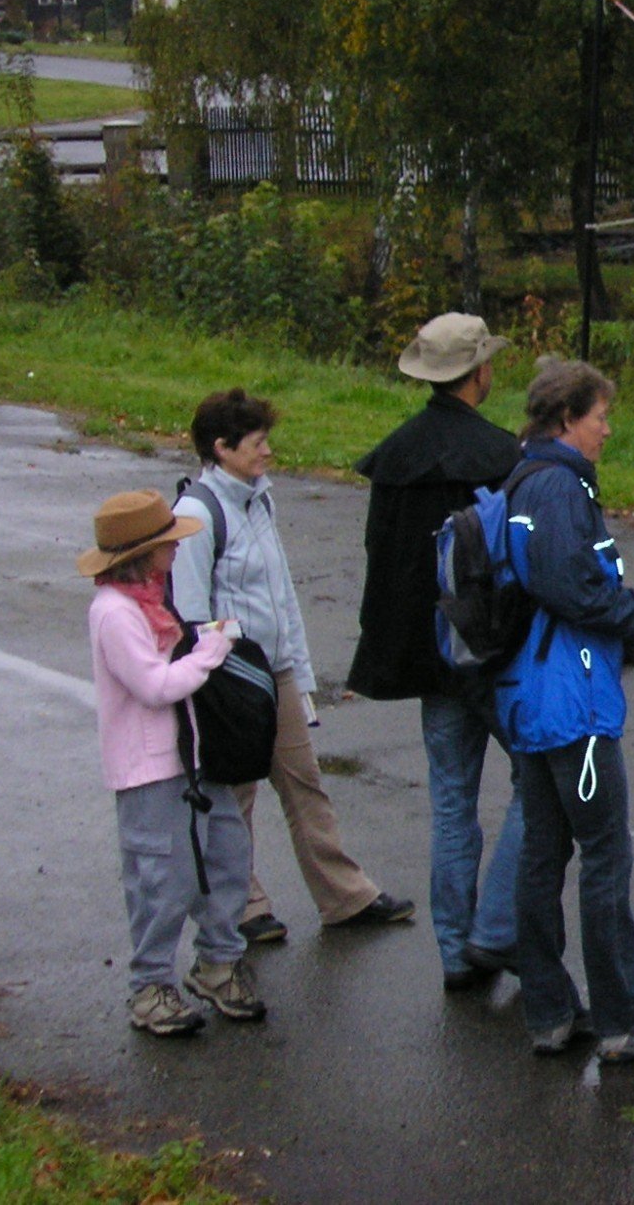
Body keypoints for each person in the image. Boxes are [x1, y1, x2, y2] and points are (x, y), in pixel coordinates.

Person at [496, 358, 634, 1063]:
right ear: (565, 421)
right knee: (606, 855)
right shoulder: (557, 487)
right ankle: (624, 1018)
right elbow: (571, 588)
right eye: (599, 418)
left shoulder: (525, 477)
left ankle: (551, 1012)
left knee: (544, 854)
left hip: (533, 696)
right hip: (572, 702)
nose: (607, 430)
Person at [172, 389, 415, 940]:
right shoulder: (197, 513)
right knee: (233, 797)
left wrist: (299, 680)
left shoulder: (260, 499)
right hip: (229, 679)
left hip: (273, 674)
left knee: (304, 784)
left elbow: (281, 598)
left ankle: (345, 898)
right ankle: (242, 908)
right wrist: (212, 685)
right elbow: (188, 614)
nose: (267, 453)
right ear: (222, 448)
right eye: (257, 443)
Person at [346, 314, 524, 992]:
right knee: (537, 783)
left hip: (429, 658)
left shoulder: (395, 457)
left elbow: (382, 566)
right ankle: (494, 929)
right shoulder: (503, 455)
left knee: (452, 802)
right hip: (492, 656)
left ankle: (456, 950)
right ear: (478, 372)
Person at [82, 488, 265, 1035]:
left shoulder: (152, 601)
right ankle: (150, 987)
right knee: (163, 881)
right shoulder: (115, 613)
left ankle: (218, 962)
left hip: (192, 759)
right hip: (148, 771)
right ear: (141, 553)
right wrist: (210, 652)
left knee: (227, 857)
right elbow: (154, 686)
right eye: (167, 543)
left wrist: (202, 639)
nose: (176, 551)